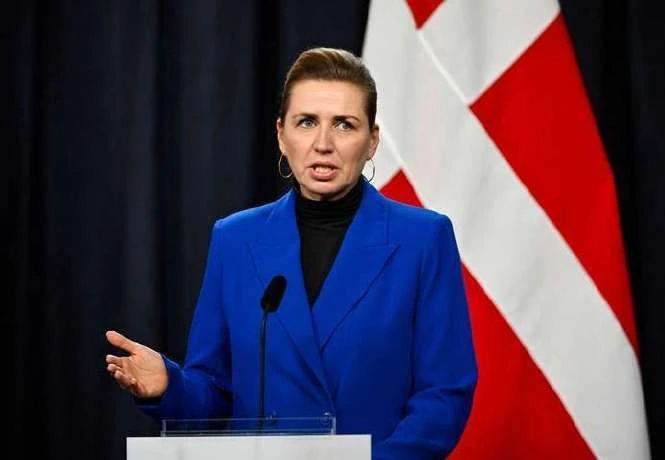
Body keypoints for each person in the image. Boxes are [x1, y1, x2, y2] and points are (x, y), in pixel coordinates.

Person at [105, 47, 477, 459]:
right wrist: (169, 386)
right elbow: (215, 395)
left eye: (344, 124)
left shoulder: (423, 239)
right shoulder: (235, 239)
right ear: (282, 135)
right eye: (307, 122)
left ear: (372, 141)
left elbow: (444, 395)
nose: (323, 143)